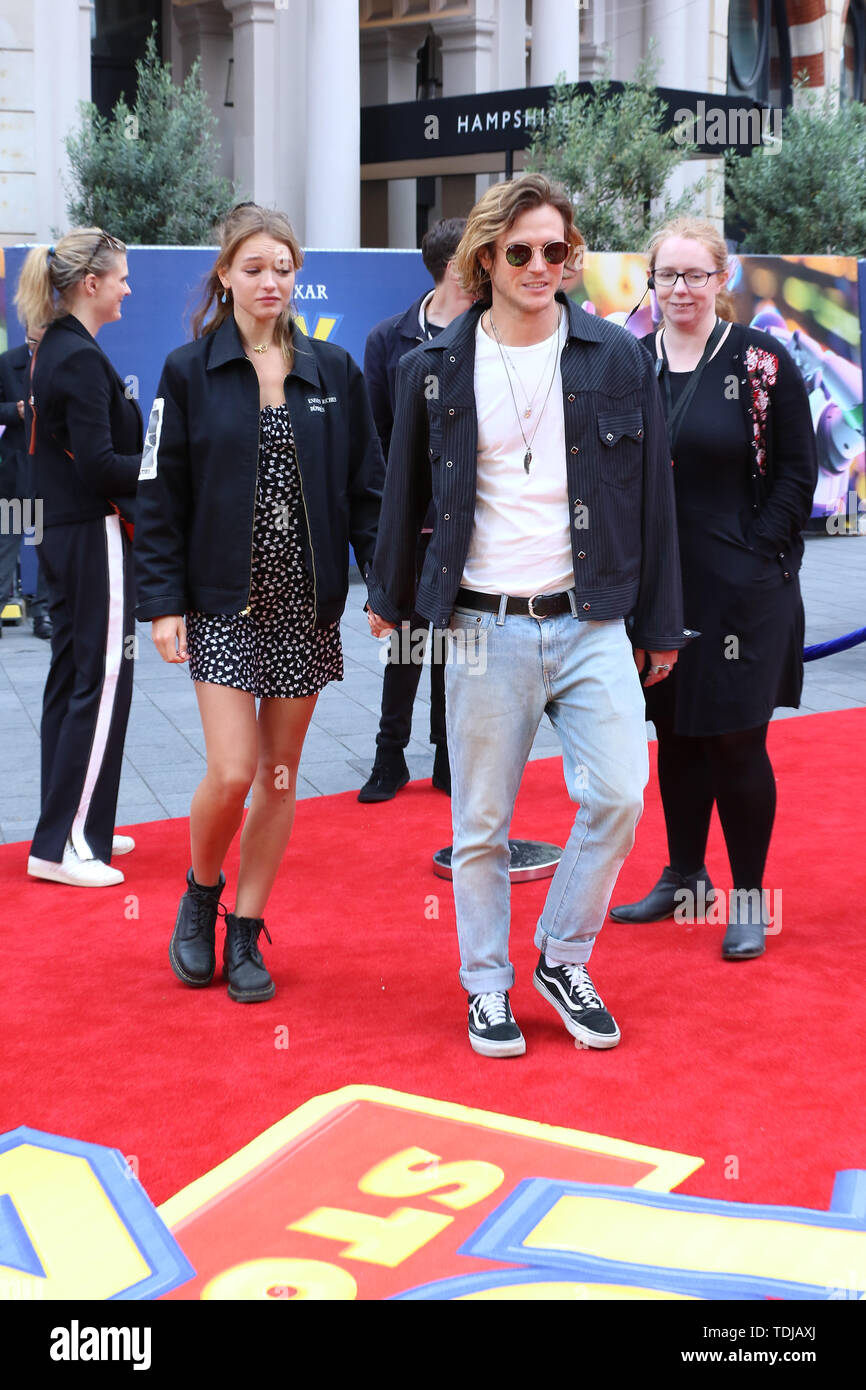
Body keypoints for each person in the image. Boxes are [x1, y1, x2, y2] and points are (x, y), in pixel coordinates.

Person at [366, 174, 684, 1057]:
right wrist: (389, 597)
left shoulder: (618, 358)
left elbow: (651, 499)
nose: (542, 266)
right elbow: (405, 496)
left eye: (558, 251)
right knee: (481, 824)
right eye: (522, 252)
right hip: (479, 624)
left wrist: (660, 623)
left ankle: (562, 954)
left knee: (620, 791)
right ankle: (485, 985)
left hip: (592, 622)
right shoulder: (430, 369)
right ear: (486, 260)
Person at [134, 202, 384, 1004]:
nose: (270, 281)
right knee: (234, 769)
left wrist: (383, 582)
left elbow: (367, 489)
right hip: (222, 603)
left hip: (304, 606)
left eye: (282, 267)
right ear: (225, 276)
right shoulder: (187, 370)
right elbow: (160, 493)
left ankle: (246, 928)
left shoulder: (334, 372)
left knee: (279, 777)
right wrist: (162, 604)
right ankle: (201, 890)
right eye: (254, 268)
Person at [610, 218, 817, 960]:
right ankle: (685, 876)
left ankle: (750, 896)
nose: (682, 289)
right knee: (674, 734)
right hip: (657, 593)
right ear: (652, 281)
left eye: (697, 275)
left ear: (722, 280)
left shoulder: (762, 362)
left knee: (735, 739)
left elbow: (799, 468)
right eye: (669, 275)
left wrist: (759, 553)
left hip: (745, 590)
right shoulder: (629, 363)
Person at [20, 232, 141, 888]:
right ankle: (65, 841)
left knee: (71, 678)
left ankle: (75, 822)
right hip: (91, 533)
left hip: (64, 534)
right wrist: (164, 469)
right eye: (121, 278)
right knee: (99, 682)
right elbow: (99, 466)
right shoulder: (78, 359)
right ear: (90, 284)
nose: (128, 288)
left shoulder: (59, 350)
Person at [358, 217, 474, 802]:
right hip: (410, 519)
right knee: (404, 639)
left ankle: (450, 756)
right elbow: (377, 438)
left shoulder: (494, 332)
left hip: (473, 519)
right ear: (455, 265)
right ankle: (389, 757)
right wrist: (389, 526)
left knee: (459, 642)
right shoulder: (388, 339)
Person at [0, 323, 52, 638]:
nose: (37, 344)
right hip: (16, 468)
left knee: (47, 542)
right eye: (33, 339)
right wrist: (14, 411)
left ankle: (44, 612)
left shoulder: (62, 360)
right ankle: (3, 602)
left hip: (49, 468)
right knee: (7, 541)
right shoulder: (8, 362)